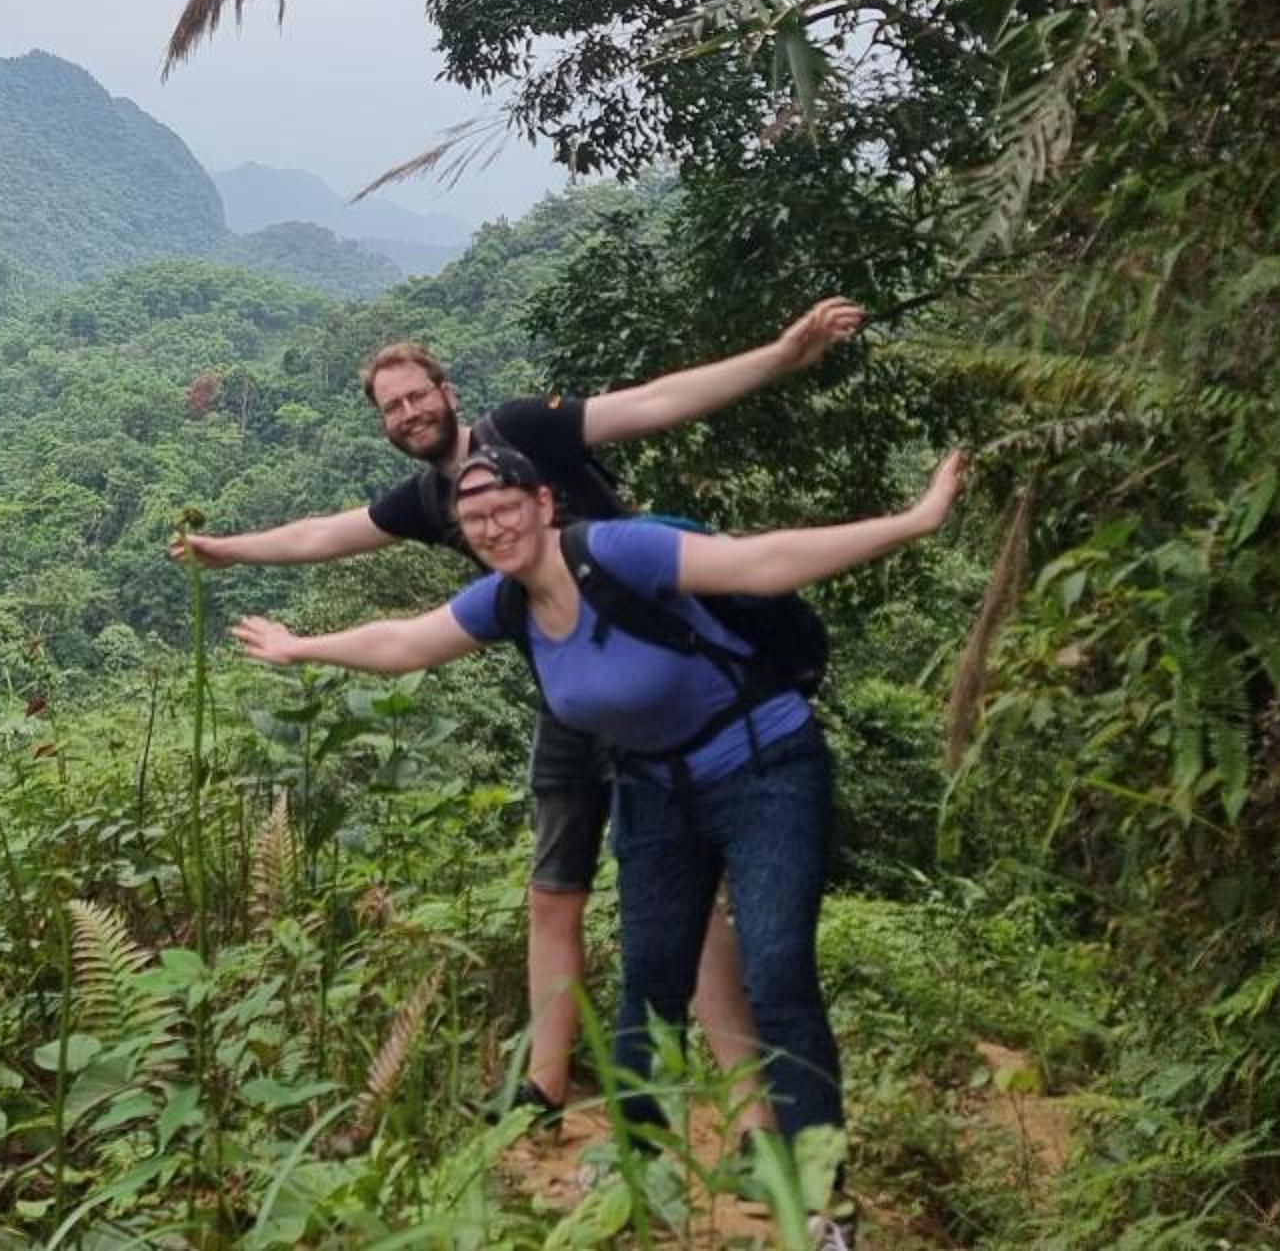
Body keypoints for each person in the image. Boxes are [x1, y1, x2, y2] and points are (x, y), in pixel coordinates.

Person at [231, 441, 967, 1238]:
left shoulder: (619, 552)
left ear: (544, 504)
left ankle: (824, 1203)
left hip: (765, 767)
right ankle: (637, 1172)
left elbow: (762, 563)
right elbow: (406, 642)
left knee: (779, 971)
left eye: (504, 509)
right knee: (650, 982)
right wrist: (301, 647)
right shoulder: (504, 602)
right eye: (474, 519)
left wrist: (913, 521)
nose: (492, 528)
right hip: (653, 790)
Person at [170, 299, 865, 1117]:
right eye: (392, 407)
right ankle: (543, 1086)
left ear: (447, 391)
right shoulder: (431, 499)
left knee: (696, 907)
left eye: (417, 395)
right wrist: (228, 552)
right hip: (569, 692)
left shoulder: (527, 430)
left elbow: (652, 403)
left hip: (662, 672)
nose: (409, 413)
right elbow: (327, 535)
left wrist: (780, 355)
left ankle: (750, 1109)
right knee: (553, 889)